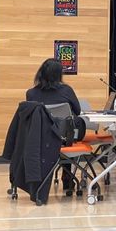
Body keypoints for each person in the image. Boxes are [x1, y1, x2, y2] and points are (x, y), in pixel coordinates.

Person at [26, 58, 85, 191]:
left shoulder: (31, 93)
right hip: (64, 138)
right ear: (59, 74)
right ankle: (67, 176)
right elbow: (77, 111)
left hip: (40, 138)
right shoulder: (66, 90)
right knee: (69, 128)